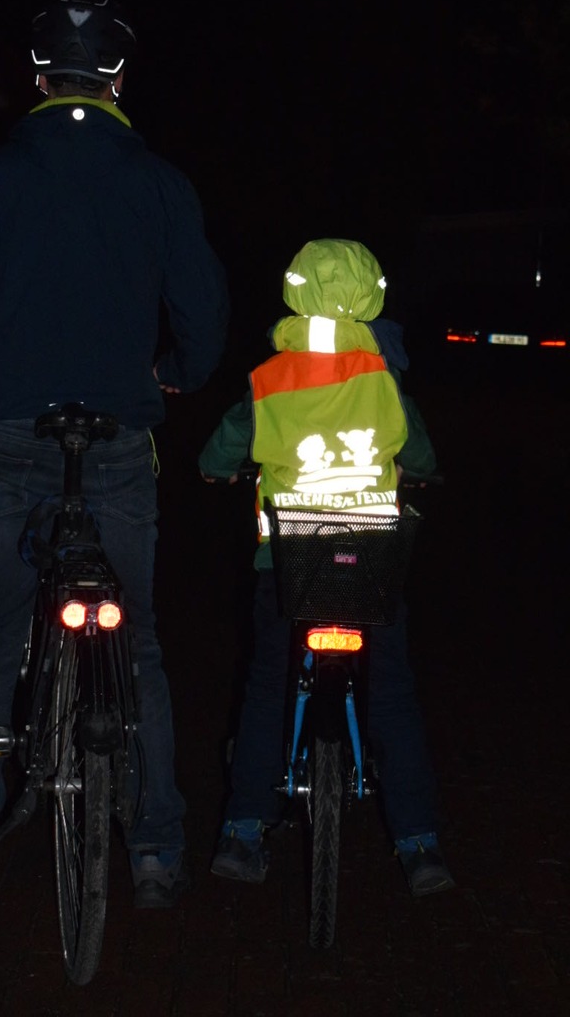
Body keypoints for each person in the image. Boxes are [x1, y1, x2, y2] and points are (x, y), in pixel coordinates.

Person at [0, 0, 229, 909]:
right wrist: (176, 367)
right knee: (142, 649)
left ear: (37, 75)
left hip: (9, 432)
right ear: (120, 79)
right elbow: (203, 313)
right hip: (119, 436)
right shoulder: (161, 182)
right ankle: (157, 850)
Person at [198, 238, 455, 897]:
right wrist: (421, 473)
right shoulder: (385, 379)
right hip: (372, 557)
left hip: (288, 559)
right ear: (373, 294)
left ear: (292, 289)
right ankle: (420, 846)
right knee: (392, 691)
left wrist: (219, 469)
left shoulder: (271, 378)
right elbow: (419, 452)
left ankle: (244, 832)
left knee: (266, 688)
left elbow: (223, 447)